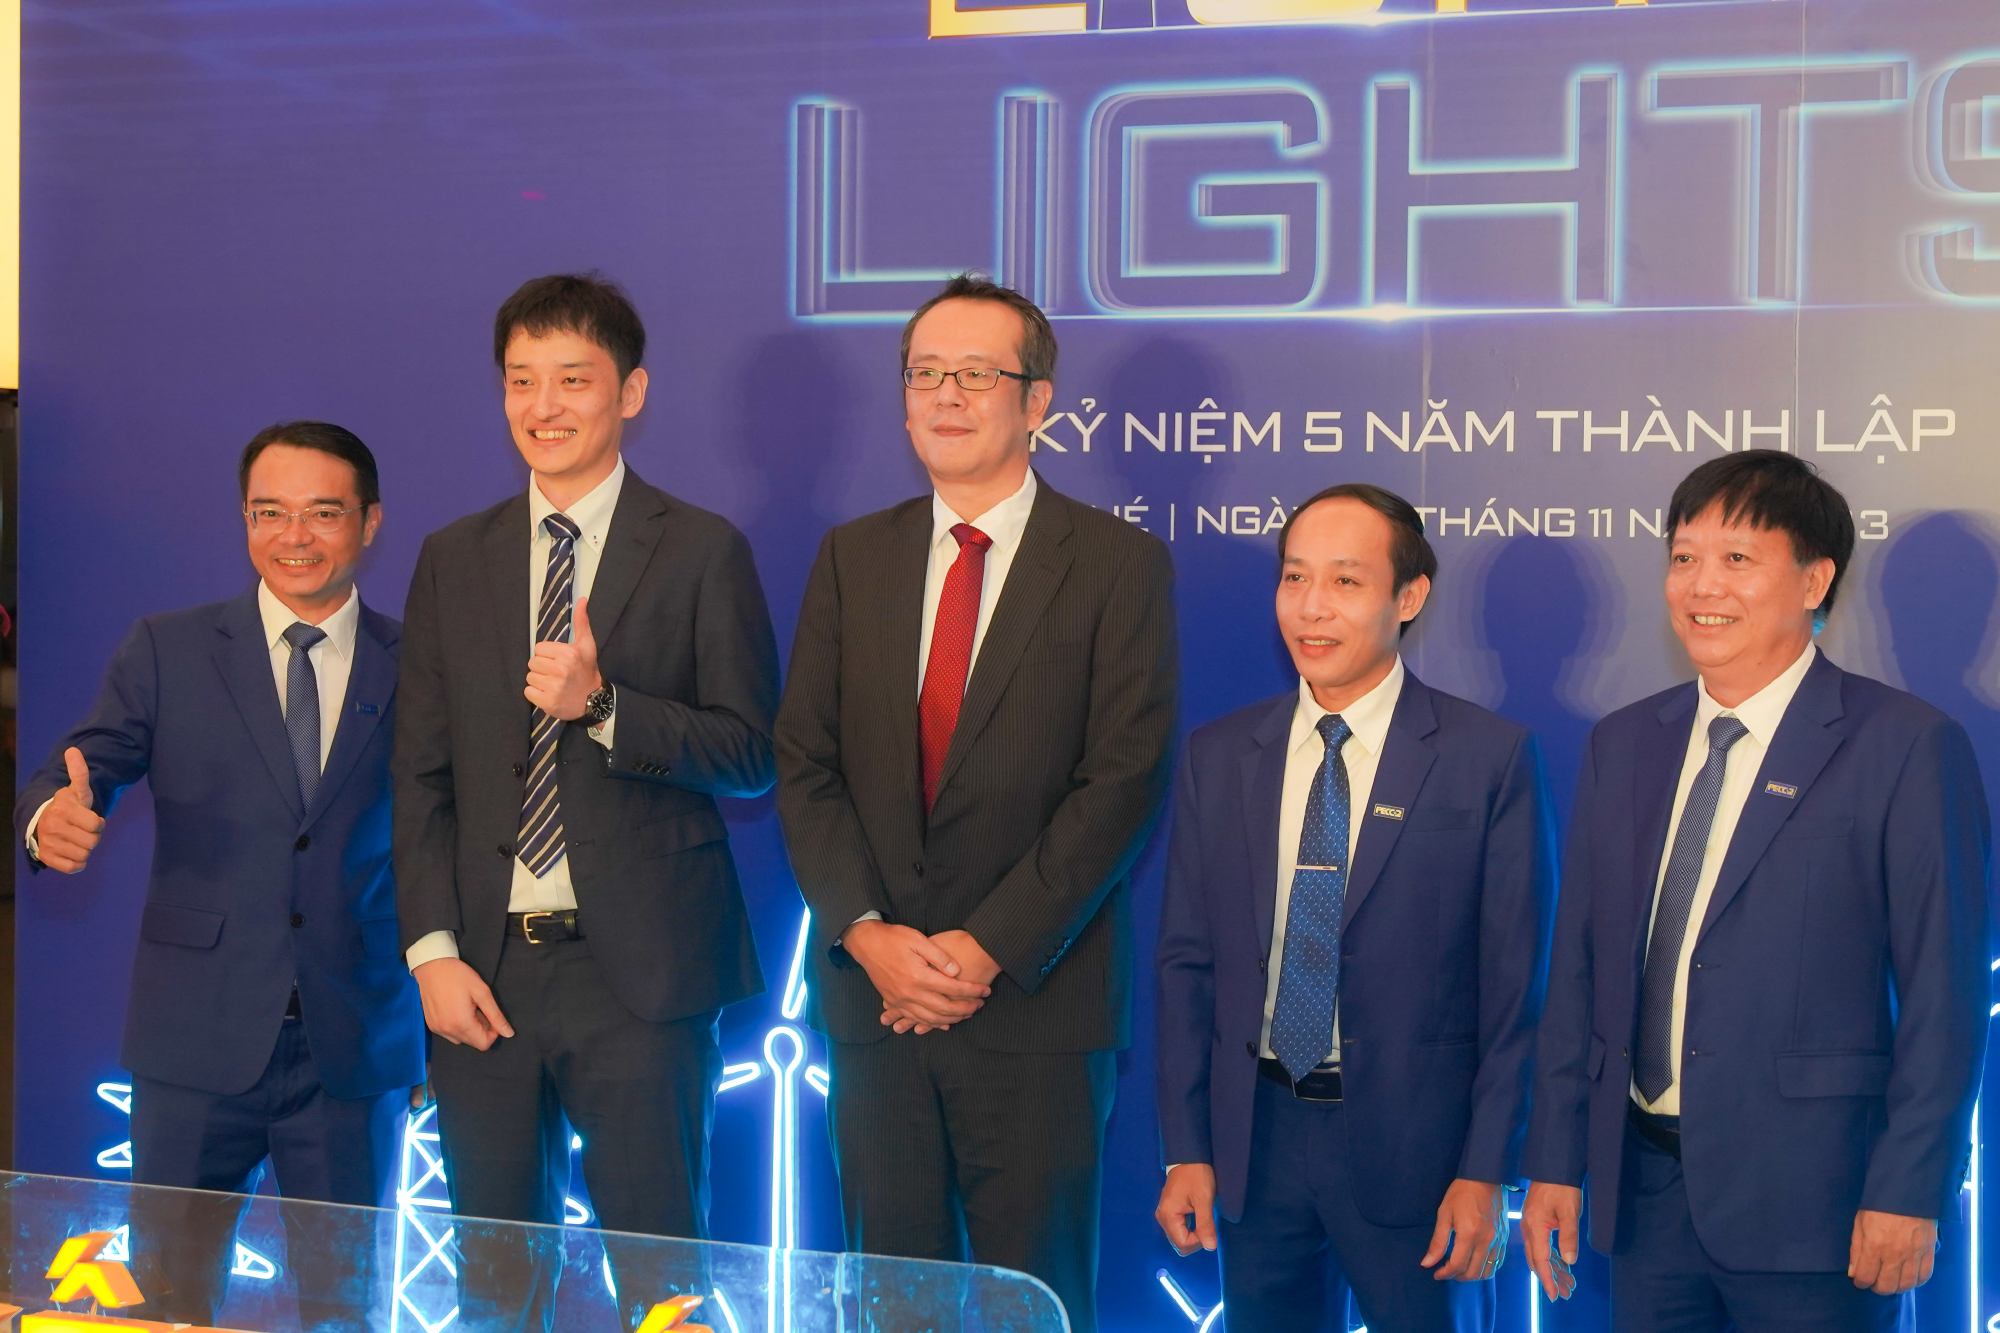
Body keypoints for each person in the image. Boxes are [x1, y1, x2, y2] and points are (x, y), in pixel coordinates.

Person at [775, 273, 1178, 1333]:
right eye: (924, 374)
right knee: (890, 1305)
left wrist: (982, 948)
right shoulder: (851, 557)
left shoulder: (1117, 564)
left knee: (1032, 1303)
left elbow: (1122, 780)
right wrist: (867, 935)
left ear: (1037, 401)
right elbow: (805, 765)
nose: (945, 395)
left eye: (976, 374)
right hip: (878, 1008)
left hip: (1036, 1014)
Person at [1520, 451, 1990, 1332]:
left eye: (1737, 558)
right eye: (1684, 557)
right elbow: (1580, 971)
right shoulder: (1625, 743)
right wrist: (1554, 1160)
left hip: (1819, 1206)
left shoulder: (1905, 746)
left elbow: (1946, 994)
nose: (1703, 584)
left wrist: (1908, 1187)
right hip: (1646, 1198)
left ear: (1815, 580)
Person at [393, 273, 779, 1330]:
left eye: (573, 378)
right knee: (493, 1284)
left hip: (642, 978)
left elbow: (752, 753)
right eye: (522, 380)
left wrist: (605, 707)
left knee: (663, 1281)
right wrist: (431, 953)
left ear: (630, 391)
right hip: (483, 972)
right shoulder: (453, 558)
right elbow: (419, 776)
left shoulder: (700, 549)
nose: (544, 405)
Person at [15, 421, 422, 1331]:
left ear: (369, 521)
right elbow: (80, 764)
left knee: (344, 1311)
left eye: (322, 513)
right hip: (193, 1040)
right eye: (269, 512)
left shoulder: (421, 661)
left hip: (354, 1042)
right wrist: (50, 816)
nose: (293, 536)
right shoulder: (168, 648)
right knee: (165, 1302)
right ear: (244, 520)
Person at [1154, 484, 1551, 1333]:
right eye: (1295, 577)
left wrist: (1486, 1169)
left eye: (1344, 581)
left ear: (1408, 597)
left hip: (1420, 1156)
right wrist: (1187, 1145)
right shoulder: (1220, 755)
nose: (1311, 607)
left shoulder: (1486, 758)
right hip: (1257, 1141)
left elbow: (1517, 991)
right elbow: (1188, 963)